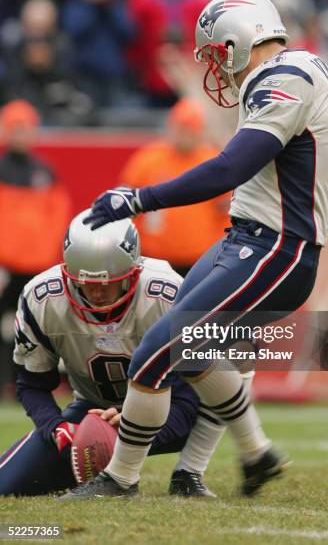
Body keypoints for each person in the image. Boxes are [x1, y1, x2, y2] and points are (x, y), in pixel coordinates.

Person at [62, 0, 328, 500]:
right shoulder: (304, 71)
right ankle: (242, 459)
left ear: (241, 39)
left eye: (218, 52)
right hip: (246, 239)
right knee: (199, 355)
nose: (217, 66)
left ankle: (120, 479)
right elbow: (326, 164)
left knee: (154, 355)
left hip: (274, 250)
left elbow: (230, 167)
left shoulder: (286, 78)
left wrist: (138, 199)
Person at [0, 211, 230, 497]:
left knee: (230, 356)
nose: (96, 294)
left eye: (107, 283)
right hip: (92, 410)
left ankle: (189, 473)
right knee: (6, 484)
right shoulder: (42, 298)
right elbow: (32, 384)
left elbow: (189, 395)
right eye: (86, 283)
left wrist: (132, 424)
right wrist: (57, 427)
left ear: (133, 271)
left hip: (168, 408)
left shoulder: (166, 292)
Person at [0, 100, 71, 397]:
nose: (20, 134)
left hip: (37, 266)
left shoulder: (45, 171)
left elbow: (58, 217)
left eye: (25, 128)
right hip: (6, 265)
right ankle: (5, 381)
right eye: (15, 128)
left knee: (35, 328)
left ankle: (34, 381)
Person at [120, 97, 229, 277]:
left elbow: (226, 213)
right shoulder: (148, 160)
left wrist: (218, 250)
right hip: (153, 258)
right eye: (181, 128)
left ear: (200, 131)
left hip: (199, 261)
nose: (185, 134)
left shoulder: (213, 161)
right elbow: (128, 206)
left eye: (190, 129)